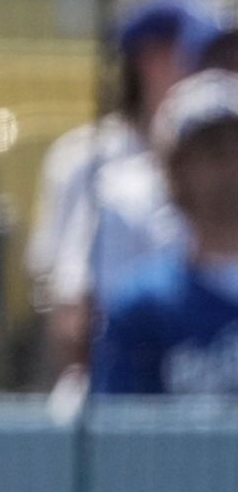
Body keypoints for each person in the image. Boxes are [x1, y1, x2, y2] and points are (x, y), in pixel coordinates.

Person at [31, 0, 221, 378]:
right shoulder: (89, 162)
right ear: (151, 59)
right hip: (119, 383)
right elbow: (71, 316)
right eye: (198, 52)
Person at [92, 70, 238, 394]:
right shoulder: (143, 305)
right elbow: (119, 432)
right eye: (214, 154)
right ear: (176, 171)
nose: (231, 170)